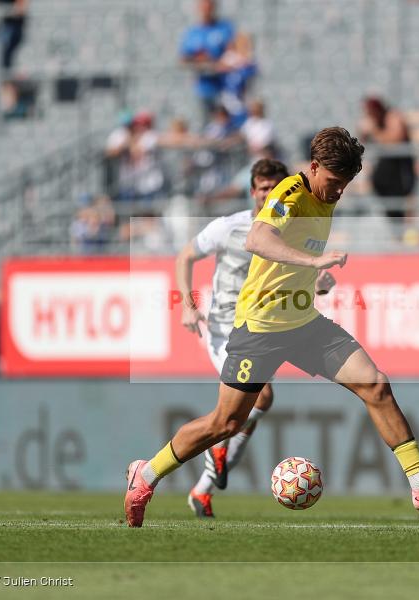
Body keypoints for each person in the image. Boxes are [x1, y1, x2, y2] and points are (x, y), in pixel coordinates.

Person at [124, 127, 419, 527]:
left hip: (303, 322)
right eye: (335, 181)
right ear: (314, 167)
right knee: (226, 423)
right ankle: (146, 474)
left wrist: (312, 278)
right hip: (260, 327)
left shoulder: (325, 194)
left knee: (375, 385)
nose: (339, 191)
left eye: (346, 184)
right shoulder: (289, 193)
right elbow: (258, 239)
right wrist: (313, 262)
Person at [177, 159, 330, 518]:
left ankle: (201, 491)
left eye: (275, 188)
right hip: (226, 329)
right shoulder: (228, 227)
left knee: (246, 413)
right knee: (261, 398)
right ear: (253, 192)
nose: (268, 194)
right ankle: (212, 452)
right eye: (263, 188)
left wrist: (319, 283)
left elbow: (302, 278)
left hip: (265, 328)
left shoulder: (293, 231)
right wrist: (188, 305)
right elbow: (185, 256)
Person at [360, 96, 416, 224]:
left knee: (403, 207)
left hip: (401, 170)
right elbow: (362, 142)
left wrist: (374, 130)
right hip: (387, 173)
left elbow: (395, 141)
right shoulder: (376, 121)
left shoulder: (393, 116)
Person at [180, 0, 235, 123]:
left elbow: (232, 52)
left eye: (209, 6)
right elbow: (184, 58)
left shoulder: (224, 28)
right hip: (203, 87)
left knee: (226, 124)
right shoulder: (193, 32)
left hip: (225, 87)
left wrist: (218, 62)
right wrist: (198, 59)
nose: (206, 10)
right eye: (204, 6)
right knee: (206, 123)